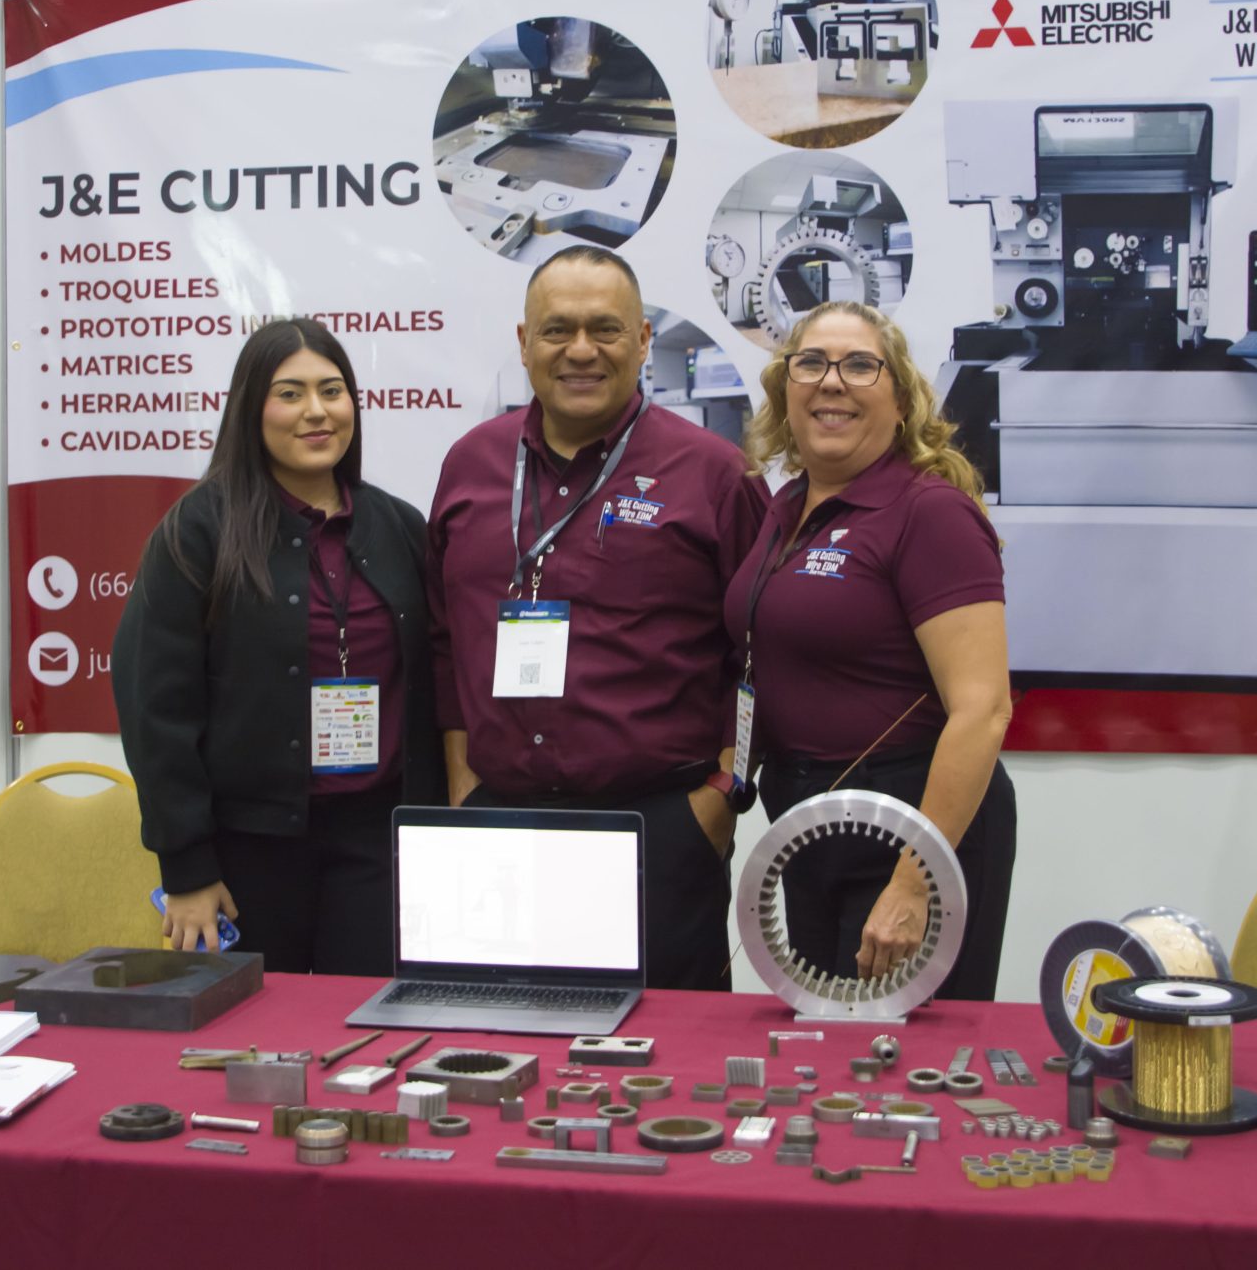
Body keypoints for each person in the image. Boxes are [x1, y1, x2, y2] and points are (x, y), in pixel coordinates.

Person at [426, 247, 771, 990]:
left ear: (643, 340)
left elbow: (762, 652)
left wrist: (721, 798)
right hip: (497, 828)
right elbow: (444, 637)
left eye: (605, 329)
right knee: (499, 1037)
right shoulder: (468, 465)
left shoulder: (715, 473)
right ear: (524, 343)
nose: (580, 350)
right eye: (557, 329)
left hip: (660, 827)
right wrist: (462, 781)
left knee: (669, 1052)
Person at [112, 318, 438, 973]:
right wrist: (187, 867)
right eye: (290, 393)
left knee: (370, 1017)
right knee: (252, 1026)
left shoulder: (399, 525)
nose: (316, 411)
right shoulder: (198, 530)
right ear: (250, 408)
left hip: (380, 842)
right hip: (246, 852)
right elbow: (155, 708)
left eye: (332, 390)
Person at [725, 300, 1015, 999]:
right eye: (811, 364)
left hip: (909, 829)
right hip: (809, 827)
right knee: (826, 1045)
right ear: (785, 391)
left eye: (860, 365)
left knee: (902, 1053)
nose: (832, 381)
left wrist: (916, 880)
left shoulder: (929, 511)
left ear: (902, 399)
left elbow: (983, 710)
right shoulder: (787, 507)